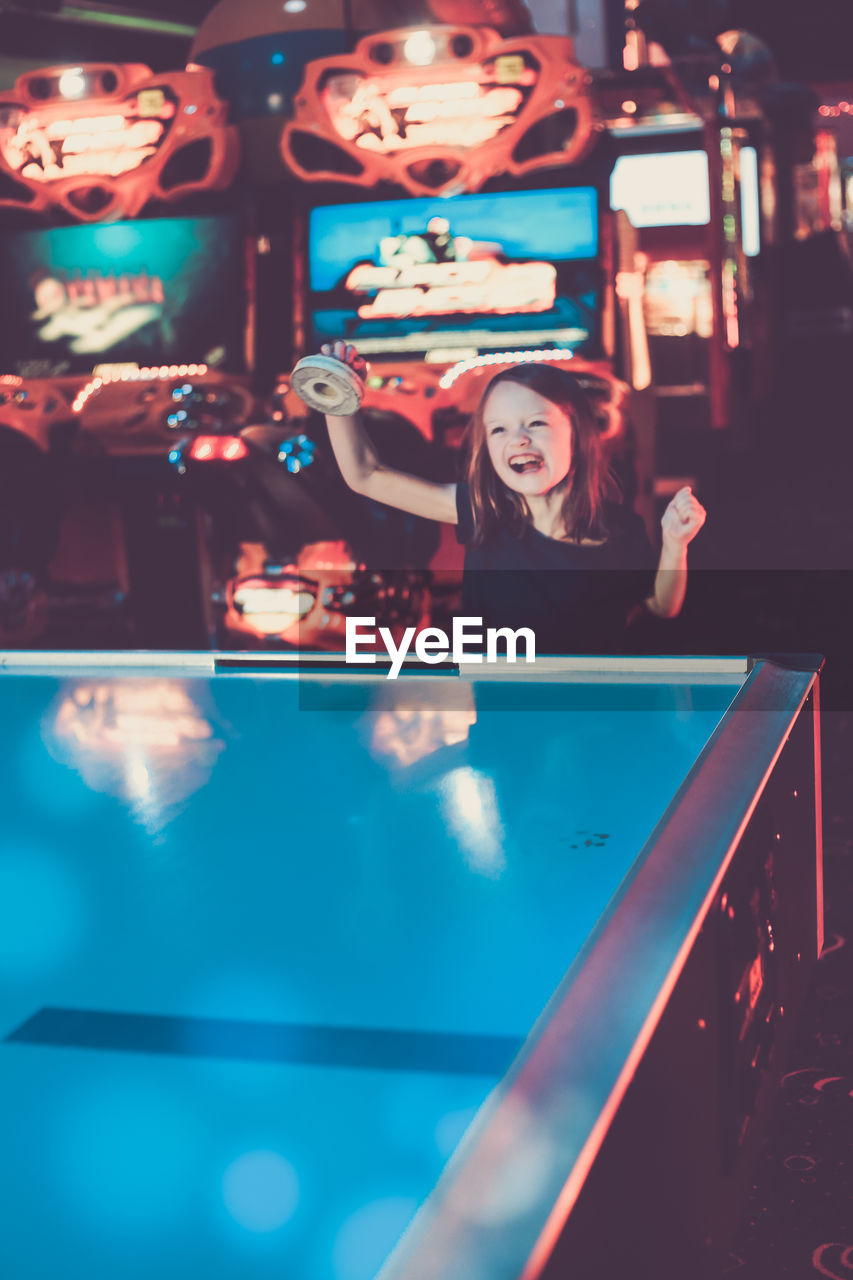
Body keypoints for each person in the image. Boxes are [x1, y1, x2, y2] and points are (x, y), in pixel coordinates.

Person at [313, 341, 707, 654]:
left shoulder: (619, 530)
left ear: (577, 432)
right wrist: (337, 395)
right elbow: (365, 475)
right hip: (506, 734)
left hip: (594, 730)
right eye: (498, 429)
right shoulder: (485, 511)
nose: (518, 438)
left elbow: (660, 606)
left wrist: (676, 544)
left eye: (535, 423)